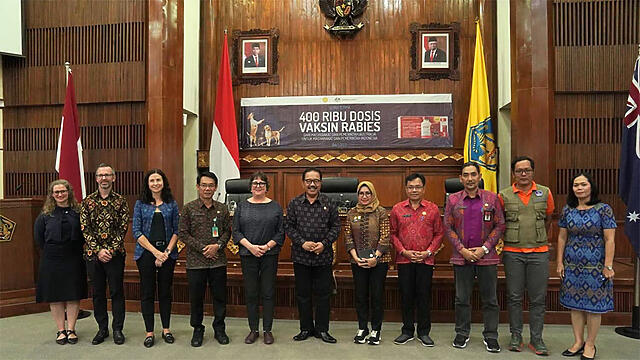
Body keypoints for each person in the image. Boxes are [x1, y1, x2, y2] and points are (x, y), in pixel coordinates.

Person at [445, 162, 505, 353]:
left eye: (473, 175)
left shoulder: (492, 198)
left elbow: (500, 225)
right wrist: (462, 250)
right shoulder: (453, 200)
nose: (469, 179)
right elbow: (448, 227)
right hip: (461, 257)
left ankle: (491, 336)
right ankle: (462, 333)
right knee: (462, 298)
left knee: (490, 300)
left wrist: (485, 248)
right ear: (461, 178)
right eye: (465, 175)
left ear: (480, 177)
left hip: (487, 257)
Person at [498, 156, 555, 355]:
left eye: (527, 170)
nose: (523, 174)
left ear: (533, 172)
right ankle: (516, 336)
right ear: (513, 173)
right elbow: (500, 222)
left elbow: (548, 218)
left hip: (539, 253)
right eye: (519, 171)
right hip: (513, 253)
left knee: (538, 298)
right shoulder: (503, 195)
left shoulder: (545, 192)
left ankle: (537, 339)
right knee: (514, 297)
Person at [556, 172, 615, 360]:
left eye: (583, 184)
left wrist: (608, 265)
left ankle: (590, 344)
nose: (579, 188)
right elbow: (562, 237)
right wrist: (559, 262)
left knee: (593, 307)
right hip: (572, 265)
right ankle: (578, 341)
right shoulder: (568, 209)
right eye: (575, 185)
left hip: (596, 266)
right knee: (575, 306)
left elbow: (610, 239)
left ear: (591, 187)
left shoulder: (603, 209)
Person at [285, 167, 341, 344]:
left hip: (322, 257)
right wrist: (302, 242)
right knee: (303, 294)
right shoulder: (294, 203)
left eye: (316, 181)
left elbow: (336, 227)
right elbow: (289, 227)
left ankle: (322, 330)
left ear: (320, 183)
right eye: (308, 181)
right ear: (303, 183)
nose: (312, 184)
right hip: (301, 257)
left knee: (324, 294)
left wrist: (323, 244)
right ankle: (305, 328)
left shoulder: (329, 203)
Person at [390, 173, 443, 347]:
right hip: (404, 260)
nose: (414, 190)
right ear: (406, 189)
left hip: (425, 261)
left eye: (418, 187)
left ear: (424, 189)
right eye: (411, 187)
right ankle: (407, 331)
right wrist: (404, 251)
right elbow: (393, 234)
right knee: (406, 296)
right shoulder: (397, 209)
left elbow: (439, 234)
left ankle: (424, 332)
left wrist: (428, 252)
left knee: (423, 296)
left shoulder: (433, 209)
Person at [178, 171, 231, 347]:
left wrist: (217, 246)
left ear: (215, 187)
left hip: (218, 260)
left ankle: (219, 329)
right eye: (204, 185)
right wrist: (202, 249)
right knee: (196, 298)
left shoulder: (222, 208)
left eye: (211, 185)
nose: (207, 188)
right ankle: (197, 329)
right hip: (196, 262)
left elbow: (227, 231)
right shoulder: (189, 208)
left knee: (219, 297)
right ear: (198, 187)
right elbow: (183, 233)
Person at [232, 172, 284, 345]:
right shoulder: (241, 206)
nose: (258, 186)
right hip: (248, 255)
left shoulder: (275, 206)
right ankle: (253, 329)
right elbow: (236, 231)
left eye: (262, 183)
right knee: (252, 293)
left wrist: (267, 246)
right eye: (255, 183)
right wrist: (251, 247)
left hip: (269, 255)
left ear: (267, 187)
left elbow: (280, 232)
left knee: (268, 293)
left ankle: (267, 330)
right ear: (250, 186)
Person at [81, 163, 129, 345]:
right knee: (98, 293)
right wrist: (98, 250)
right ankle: (102, 329)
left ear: (113, 178)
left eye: (107, 175)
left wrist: (109, 250)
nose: (104, 178)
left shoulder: (121, 201)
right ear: (96, 178)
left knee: (117, 292)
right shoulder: (87, 201)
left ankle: (117, 329)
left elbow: (123, 228)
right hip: (93, 256)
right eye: (101, 175)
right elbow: (85, 229)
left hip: (115, 255)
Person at [34, 180, 87, 345]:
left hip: (73, 257)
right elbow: (39, 237)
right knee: (55, 295)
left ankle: (71, 329)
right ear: (52, 195)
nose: (60, 195)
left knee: (72, 293)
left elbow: (84, 235)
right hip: (51, 258)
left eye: (63, 191)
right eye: (56, 192)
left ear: (69, 192)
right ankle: (61, 330)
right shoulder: (45, 215)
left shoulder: (78, 212)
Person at [132, 169, 179, 348]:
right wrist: (155, 253)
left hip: (168, 254)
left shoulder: (171, 204)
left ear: (163, 182)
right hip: (145, 254)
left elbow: (176, 230)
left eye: (158, 180)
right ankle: (149, 332)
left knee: (166, 292)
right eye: (152, 180)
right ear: (147, 184)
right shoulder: (140, 204)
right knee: (147, 293)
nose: (155, 183)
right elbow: (137, 231)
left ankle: (166, 329)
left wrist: (165, 252)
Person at [344, 181, 391, 345]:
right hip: (357, 261)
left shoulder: (381, 212)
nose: (364, 196)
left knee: (377, 296)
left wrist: (375, 258)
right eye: (361, 193)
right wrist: (356, 257)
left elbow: (385, 237)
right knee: (361, 296)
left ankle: (376, 330)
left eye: (367, 193)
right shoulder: (351, 213)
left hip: (379, 262)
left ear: (373, 194)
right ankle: (362, 328)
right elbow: (348, 237)